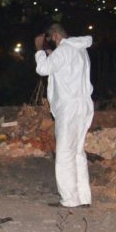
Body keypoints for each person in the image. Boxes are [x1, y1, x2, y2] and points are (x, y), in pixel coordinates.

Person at [34, 23, 94, 208]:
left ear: (55, 35)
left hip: (69, 107)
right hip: (83, 105)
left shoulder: (64, 50)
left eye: (49, 39)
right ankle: (83, 197)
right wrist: (51, 54)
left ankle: (69, 199)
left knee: (64, 153)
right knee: (77, 152)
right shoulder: (80, 49)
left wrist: (39, 49)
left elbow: (43, 69)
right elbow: (63, 68)